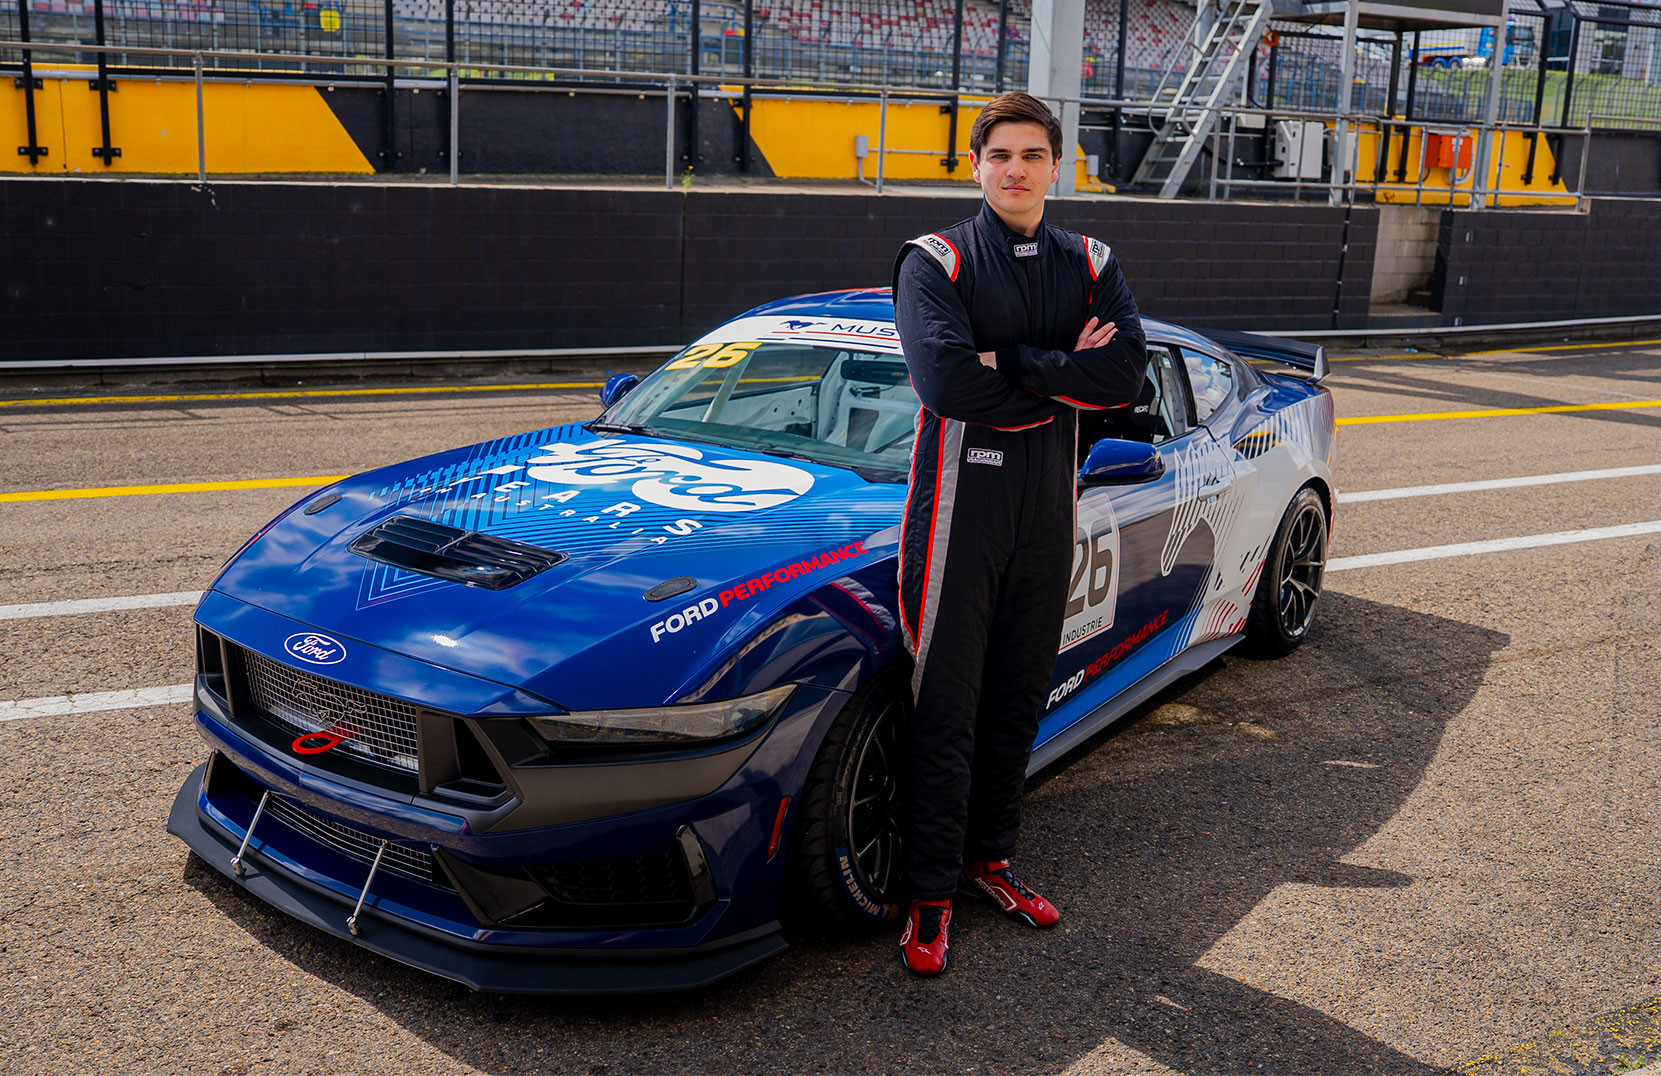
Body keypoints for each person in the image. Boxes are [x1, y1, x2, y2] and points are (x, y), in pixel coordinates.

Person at [891, 92, 1147, 976]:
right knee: (946, 702)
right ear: (974, 165)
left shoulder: (1091, 259)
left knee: (1018, 694)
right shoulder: (935, 260)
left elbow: (1124, 377)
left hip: (1048, 505)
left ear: (1055, 166)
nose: (1015, 169)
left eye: (1032, 154)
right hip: (960, 508)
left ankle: (989, 864)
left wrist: (1012, 360)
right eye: (999, 154)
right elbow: (945, 384)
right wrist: (1064, 374)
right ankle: (927, 894)